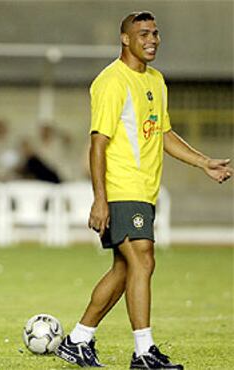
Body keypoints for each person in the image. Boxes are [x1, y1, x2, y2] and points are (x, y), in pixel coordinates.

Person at [55, 11, 232, 369]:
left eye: (155, 33)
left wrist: (203, 163)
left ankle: (78, 340)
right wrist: (100, 199)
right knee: (143, 258)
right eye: (144, 34)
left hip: (145, 190)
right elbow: (98, 144)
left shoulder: (156, 80)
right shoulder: (111, 82)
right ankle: (143, 351)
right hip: (123, 186)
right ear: (125, 39)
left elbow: (163, 133)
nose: (152, 40)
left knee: (126, 269)